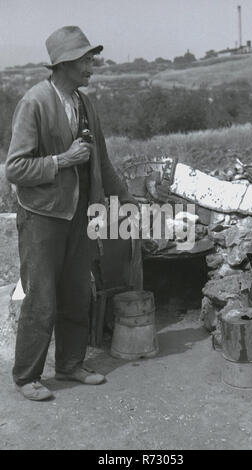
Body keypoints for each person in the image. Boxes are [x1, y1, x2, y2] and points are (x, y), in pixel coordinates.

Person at [5, 26, 136, 401]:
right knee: (42, 298)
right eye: (85, 60)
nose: (92, 66)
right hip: (42, 217)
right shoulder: (34, 103)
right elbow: (14, 168)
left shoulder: (84, 103)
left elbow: (102, 161)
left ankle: (70, 365)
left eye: (91, 58)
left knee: (79, 293)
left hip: (80, 215)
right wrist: (62, 161)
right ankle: (27, 376)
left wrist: (124, 197)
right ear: (63, 64)